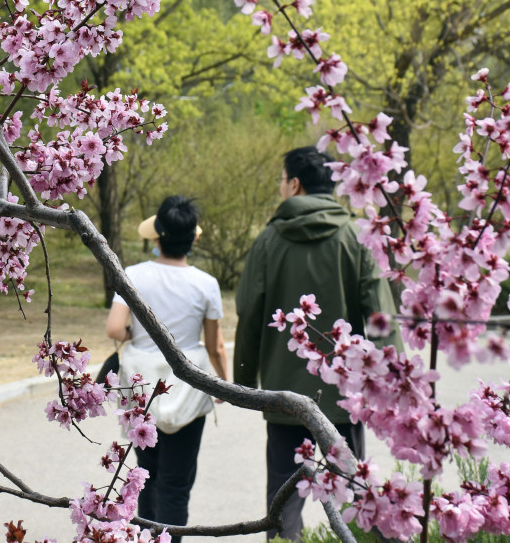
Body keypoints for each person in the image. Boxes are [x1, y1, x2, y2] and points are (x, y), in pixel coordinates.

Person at [234, 146, 396, 541]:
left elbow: (250, 313)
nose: (279, 187)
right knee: (357, 494)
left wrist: (243, 382)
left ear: (294, 184)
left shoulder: (269, 239)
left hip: (284, 398)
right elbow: (379, 313)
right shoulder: (355, 236)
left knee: (284, 501)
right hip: (345, 396)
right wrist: (391, 382)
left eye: (280, 180)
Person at [105, 195, 229, 540]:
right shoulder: (207, 284)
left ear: (156, 237)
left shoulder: (133, 276)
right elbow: (215, 344)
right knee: (176, 485)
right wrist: (223, 385)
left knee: (146, 477)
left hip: (142, 387)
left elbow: (114, 330)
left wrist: (138, 333)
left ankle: (144, 536)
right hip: (188, 389)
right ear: (194, 238)